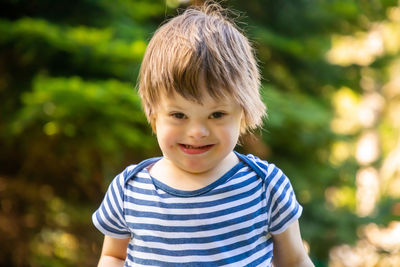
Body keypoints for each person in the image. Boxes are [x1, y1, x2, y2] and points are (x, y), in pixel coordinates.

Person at [92, 2, 314, 266]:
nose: (197, 132)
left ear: (243, 113)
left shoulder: (265, 186)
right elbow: (113, 255)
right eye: (178, 115)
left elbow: (295, 261)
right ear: (153, 115)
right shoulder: (129, 191)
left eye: (217, 115)